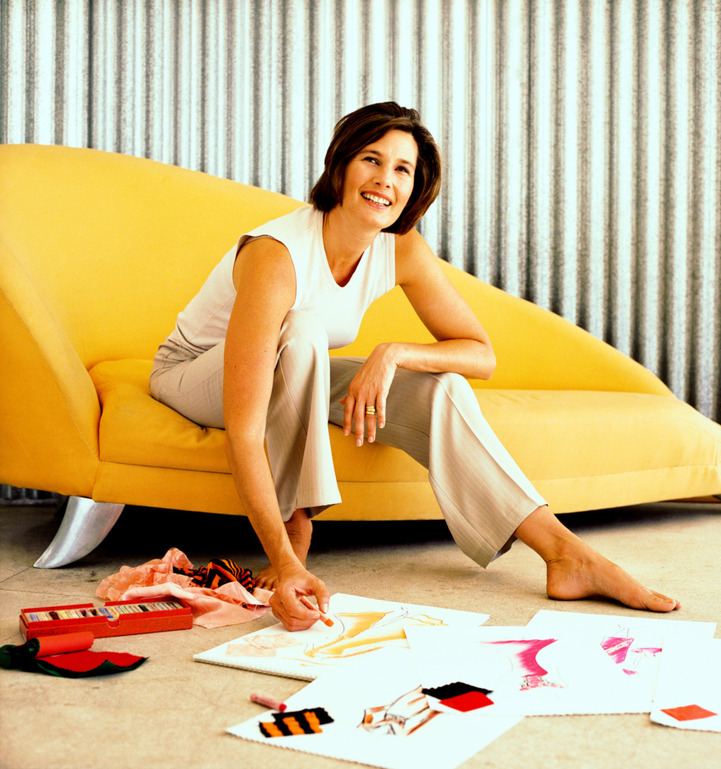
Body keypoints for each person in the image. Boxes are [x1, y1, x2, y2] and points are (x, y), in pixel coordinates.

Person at [150, 102, 680, 631]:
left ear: (415, 186)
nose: (385, 180)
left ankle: (565, 555)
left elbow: (479, 353)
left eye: (402, 169)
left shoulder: (398, 247)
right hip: (194, 373)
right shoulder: (276, 256)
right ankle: (296, 536)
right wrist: (286, 561)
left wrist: (394, 352)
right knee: (305, 327)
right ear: (340, 166)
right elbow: (245, 432)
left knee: (440, 388)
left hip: (288, 368)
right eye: (371, 160)